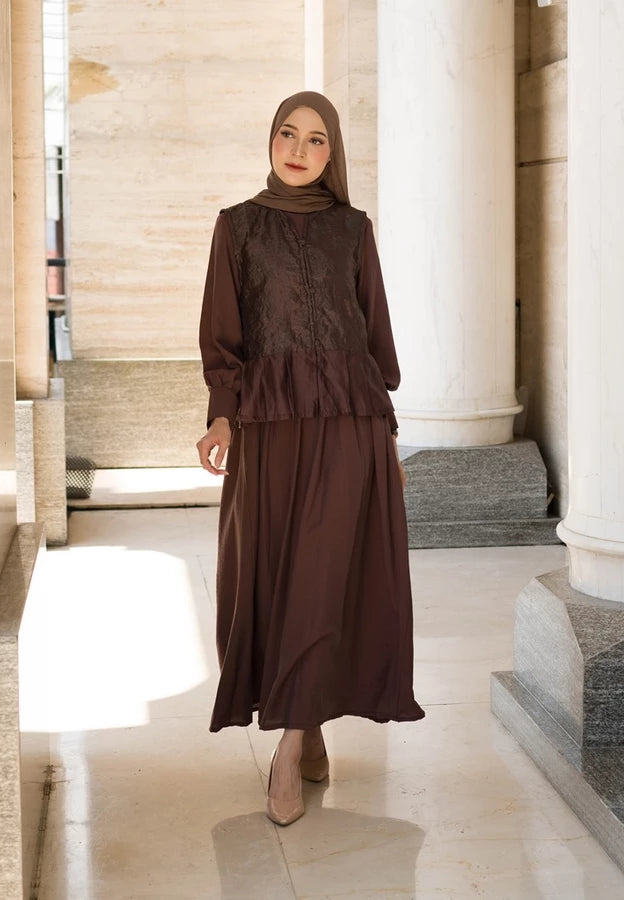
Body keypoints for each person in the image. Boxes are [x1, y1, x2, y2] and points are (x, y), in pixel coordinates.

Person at [196, 91, 425, 827]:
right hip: (269, 430)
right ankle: (311, 720)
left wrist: (386, 433)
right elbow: (222, 334)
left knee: (326, 576)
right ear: (270, 140)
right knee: (277, 581)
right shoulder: (237, 228)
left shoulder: (353, 230)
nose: (299, 149)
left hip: (350, 427)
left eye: (317, 139)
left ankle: (289, 751)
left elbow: (375, 336)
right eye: (288, 134)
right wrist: (221, 416)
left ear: (334, 155)